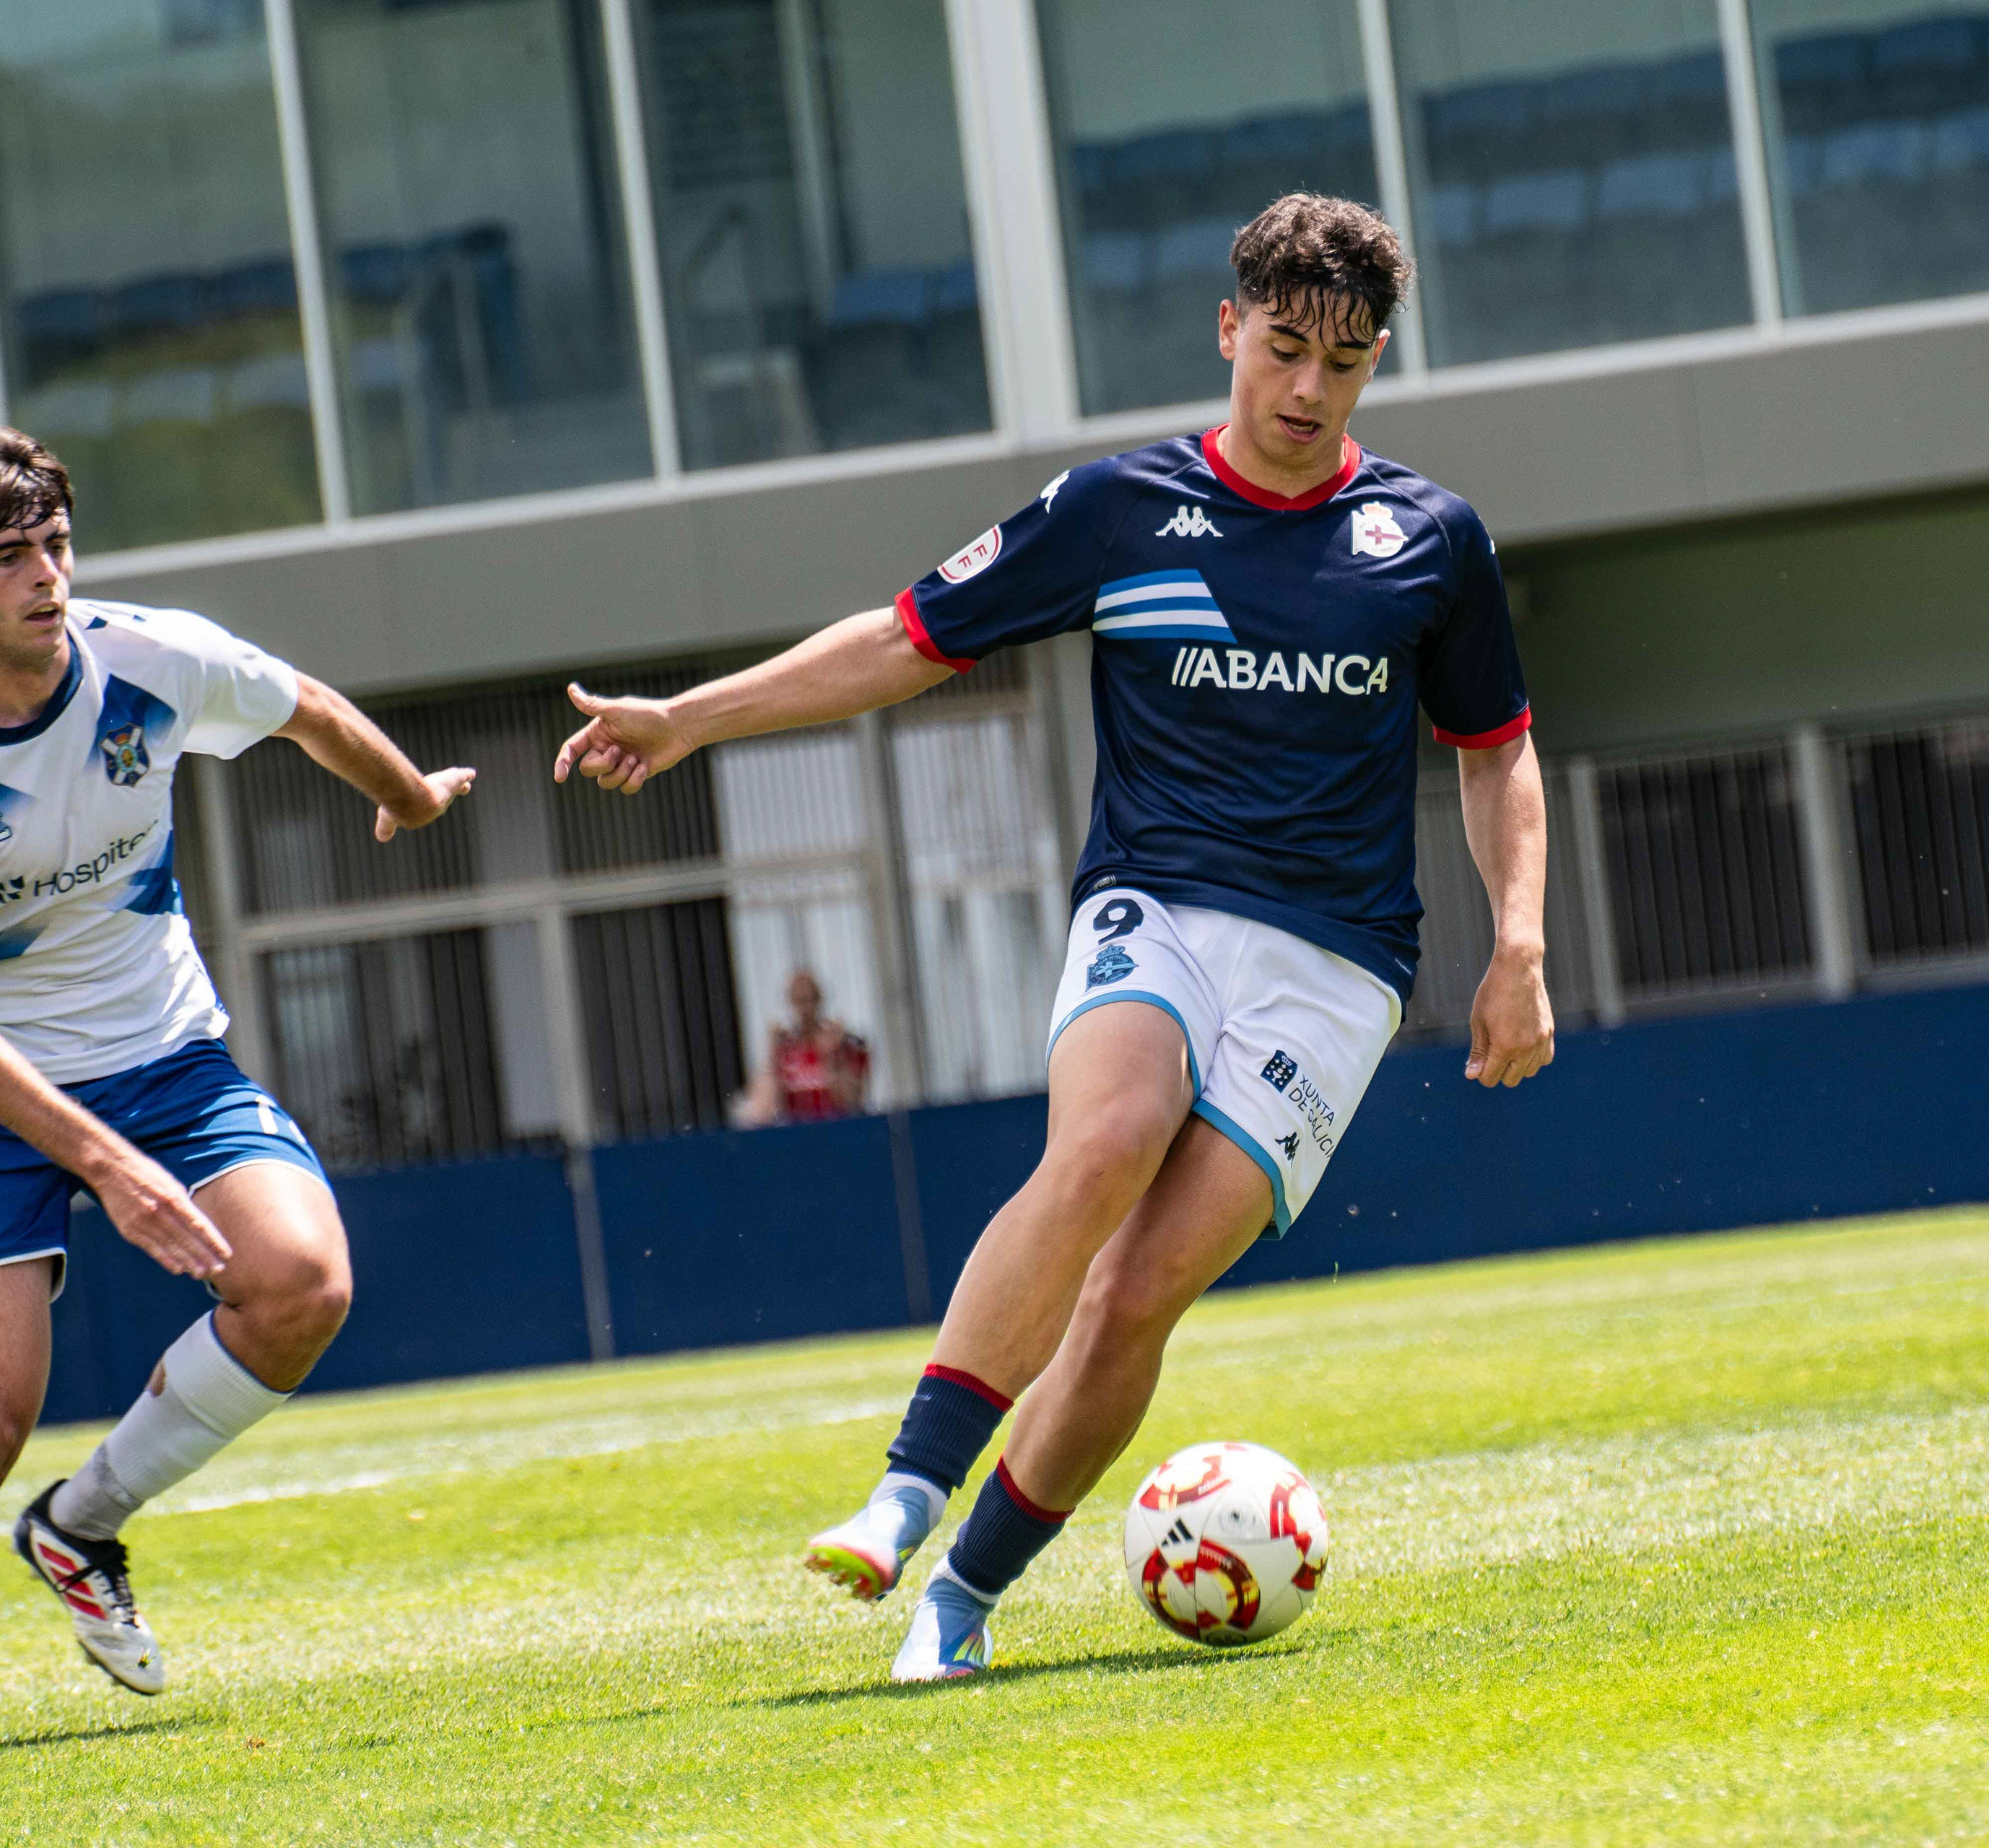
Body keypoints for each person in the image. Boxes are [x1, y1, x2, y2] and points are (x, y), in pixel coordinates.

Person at [555, 193, 1552, 1680]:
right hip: (1157, 902)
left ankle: (960, 1599)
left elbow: (1495, 749)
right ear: (1228, 329)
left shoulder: (1430, 539)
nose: (1305, 388)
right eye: (1282, 348)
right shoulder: (1118, 509)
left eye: (1342, 364)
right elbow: (905, 637)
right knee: (1106, 1139)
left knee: (1136, 1293)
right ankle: (907, 1489)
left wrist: (1519, 944)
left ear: (1375, 361)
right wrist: (689, 720)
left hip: (1338, 966)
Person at [0, 429, 475, 1691]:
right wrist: (111, 1170)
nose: (45, 577)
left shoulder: (149, 659)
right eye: (8, 559)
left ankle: (78, 1526)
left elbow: (307, 708)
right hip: (6, 1092)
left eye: (55, 545)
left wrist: (409, 798)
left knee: (303, 1283)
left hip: (164, 1056)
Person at [735, 969, 871, 1126]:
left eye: (808, 1000)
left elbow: (853, 1103)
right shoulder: (784, 1050)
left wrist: (835, 1056)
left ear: (819, 1000)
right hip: (796, 1132)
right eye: (798, 1001)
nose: (804, 1009)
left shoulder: (840, 1044)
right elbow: (761, 1111)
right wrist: (772, 1056)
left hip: (834, 1127)